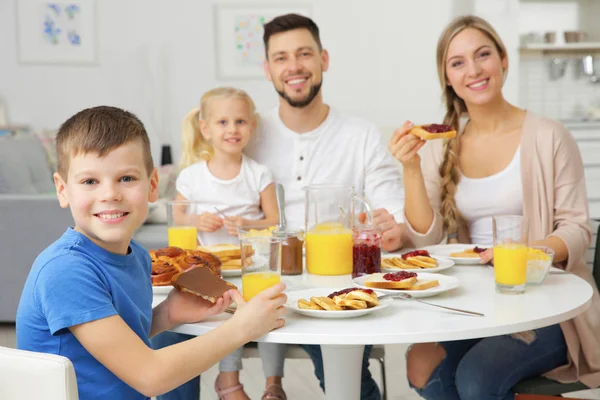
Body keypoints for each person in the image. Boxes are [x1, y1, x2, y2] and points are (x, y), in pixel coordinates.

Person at [388, 15, 600, 400]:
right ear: (448, 78)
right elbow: (427, 234)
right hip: (477, 299)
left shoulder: (550, 136)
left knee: (476, 378)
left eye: (483, 55)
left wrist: (521, 254)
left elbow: (577, 229)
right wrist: (411, 169)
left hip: (547, 300)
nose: (474, 70)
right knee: (422, 366)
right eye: (458, 63)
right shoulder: (442, 143)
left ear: (503, 59)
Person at [16, 106, 287, 400]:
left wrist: (168, 314)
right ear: (62, 189)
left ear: (153, 185)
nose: (110, 194)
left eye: (126, 178)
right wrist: (241, 329)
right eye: (90, 181)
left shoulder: (139, 256)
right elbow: (150, 376)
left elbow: (121, 341)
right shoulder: (66, 271)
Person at [243, 13, 409, 400]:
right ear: (267, 70)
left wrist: (391, 224)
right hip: (263, 284)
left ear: (324, 60)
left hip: (337, 285)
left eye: (304, 54)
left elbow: (393, 214)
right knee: (169, 337)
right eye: (281, 58)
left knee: (338, 366)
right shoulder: (247, 134)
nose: (294, 67)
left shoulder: (362, 136)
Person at [152, 87, 288, 400]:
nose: (232, 129)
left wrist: (246, 225)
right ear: (205, 128)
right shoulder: (192, 176)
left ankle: (269, 383)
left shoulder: (258, 173)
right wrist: (196, 221)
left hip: (251, 264)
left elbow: (274, 220)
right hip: (209, 272)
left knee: (265, 309)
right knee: (229, 316)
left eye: (240, 121)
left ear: (251, 127)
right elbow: (177, 218)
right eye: (223, 122)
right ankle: (229, 382)